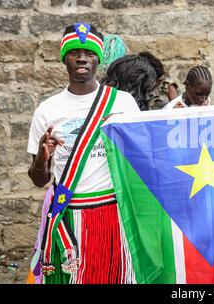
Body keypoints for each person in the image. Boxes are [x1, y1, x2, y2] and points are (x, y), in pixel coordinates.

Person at [27, 22, 140, 284]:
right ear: (64, 58)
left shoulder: (123, 103)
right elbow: (39, 179)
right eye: (74, 52)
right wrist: (44, 157)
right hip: (70, 215)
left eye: (89, 53)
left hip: (114, 214)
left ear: (98, 59)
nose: (81, 58)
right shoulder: (47, 110)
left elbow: (143, 159)